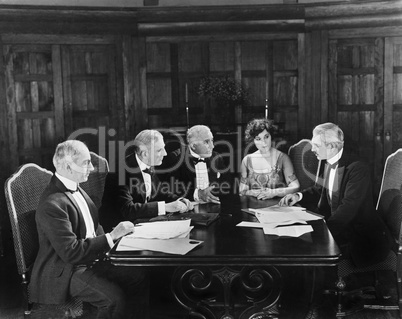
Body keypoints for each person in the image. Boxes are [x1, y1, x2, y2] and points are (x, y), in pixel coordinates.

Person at [29, 140, 149, 319]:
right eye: (86, 163)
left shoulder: (78, 190)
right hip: (66, 270)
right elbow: (71, 253)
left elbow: (94, 229)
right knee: (113, 299)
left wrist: (118, 242)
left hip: (90, 259)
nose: (92, 168)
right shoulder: (52, 203)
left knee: (138, 276)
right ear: (68, 166)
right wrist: (112, 236)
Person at [279, 122, 391, 268]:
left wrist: (321, 234)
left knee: (304, 252)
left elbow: (348, 209)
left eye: (317, 146)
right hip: (339, 229)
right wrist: (298, 196)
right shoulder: (328, 161)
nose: (312, 149)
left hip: (361, 239)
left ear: (331, 146)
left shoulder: (357, 168)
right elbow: (320, 189)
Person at [100, 129, 193, 231]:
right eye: (159, 150)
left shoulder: (147, 164)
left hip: (140, 223)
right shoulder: (119, 171)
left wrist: (179, 200)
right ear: (144, 154)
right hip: (119, 229)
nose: (165, 153)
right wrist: (165, 207)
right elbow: (128, 210)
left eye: (164, 148)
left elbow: (158, 192)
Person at [162, 125, 228, 204]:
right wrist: (197, 194)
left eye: (212, 140)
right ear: (193, 145)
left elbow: (225, 184)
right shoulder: (175, 159)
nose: (212, 146)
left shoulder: (216, 157)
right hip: (186, 207)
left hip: (212, 204)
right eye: (206, 142)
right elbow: (169, 190)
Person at [239, 118, 300, 199]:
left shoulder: (283, 158)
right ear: (253, 140)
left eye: (266, 137)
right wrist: (254, 193)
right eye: (258, 139)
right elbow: (242, 191)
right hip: (253, 208)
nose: (264, 143)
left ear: (271, 136)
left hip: (278, 207)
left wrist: (273, 192)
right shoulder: (247, 160)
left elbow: (296, 187)